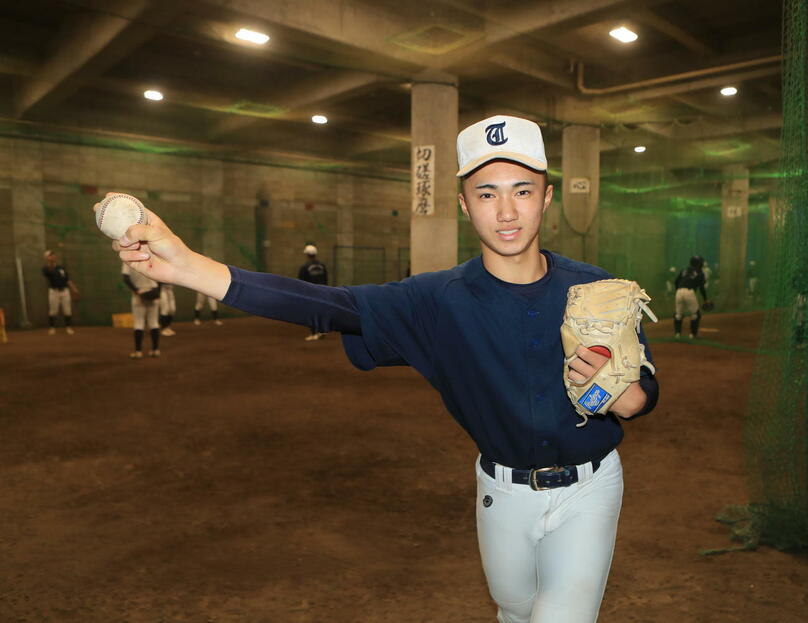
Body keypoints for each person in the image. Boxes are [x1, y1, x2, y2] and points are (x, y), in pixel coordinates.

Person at [103, 114, 659, 622]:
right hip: (501, 494)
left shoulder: (595, 288)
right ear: (464, 203)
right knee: (514, 611)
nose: (507, 212)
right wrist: (190, 267)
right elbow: (324, 305)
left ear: (546, 197)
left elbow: (644, 390)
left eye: (523, 191)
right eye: (487, 193)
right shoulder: (434, 300)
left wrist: (629, 398)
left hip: (590, 489)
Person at [121, 263, 161, 358]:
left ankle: (138, 352)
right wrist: (157, 292)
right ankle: (155, 350)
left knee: (139, 323)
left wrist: (136, 290)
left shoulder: (128, 260)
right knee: (154, 322)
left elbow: (125, 278)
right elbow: (160, 278)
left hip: (138, 293)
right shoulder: (151, 258)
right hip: (153, 293)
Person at [41, 250, 78, 335]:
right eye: (49, 256)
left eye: (53, 255)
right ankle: (52, 328)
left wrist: (74, 288)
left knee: (67, 310)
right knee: (53, 311)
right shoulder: (45, 268)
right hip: (54, 291)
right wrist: (49, 262)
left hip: (65, 290)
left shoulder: (61, 268)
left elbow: (67, 279)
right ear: (46, 258)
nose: (52, 256)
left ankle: (68, 327)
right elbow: (49, 272)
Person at [297, 244, 328, 340]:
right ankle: (322, 330)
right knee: (320, 312)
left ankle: (314, 333)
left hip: (310, 292)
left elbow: (301, 281)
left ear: (307, 254)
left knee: (311, 313)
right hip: (322, 291)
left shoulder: (305, 267)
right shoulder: (322, 265)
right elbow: (326, 278)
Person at [673, 255, 709, 338]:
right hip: (689, 292)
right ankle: (692, 335)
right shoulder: (700, 272)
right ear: (699, 264)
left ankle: (677, 334)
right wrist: (705, 299)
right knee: (695, 314)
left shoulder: (684, 270)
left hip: (679, 291)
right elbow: (701, 287)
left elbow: (676, 282)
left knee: (678, 314)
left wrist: (678, 291)